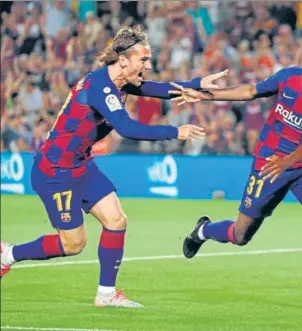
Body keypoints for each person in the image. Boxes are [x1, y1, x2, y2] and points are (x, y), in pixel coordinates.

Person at [0, 26, 228, 308]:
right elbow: (126, 127)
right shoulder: (100, 86)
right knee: (73, 244)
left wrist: (198, 83)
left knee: (116, 220)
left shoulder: (120, 82)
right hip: (55, 170)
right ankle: (8, 254)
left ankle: (106, 294)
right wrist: (175, 131)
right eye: (143, 60)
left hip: (80, 165)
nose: (148, 65)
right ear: (123, 60)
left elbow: (157, 88)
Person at [170, 36, 302, 318]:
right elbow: (250, 91)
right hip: (267, 164)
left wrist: (289, 161)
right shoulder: (289, 78)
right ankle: (203, 230)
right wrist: (205, 95)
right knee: (240, 234)